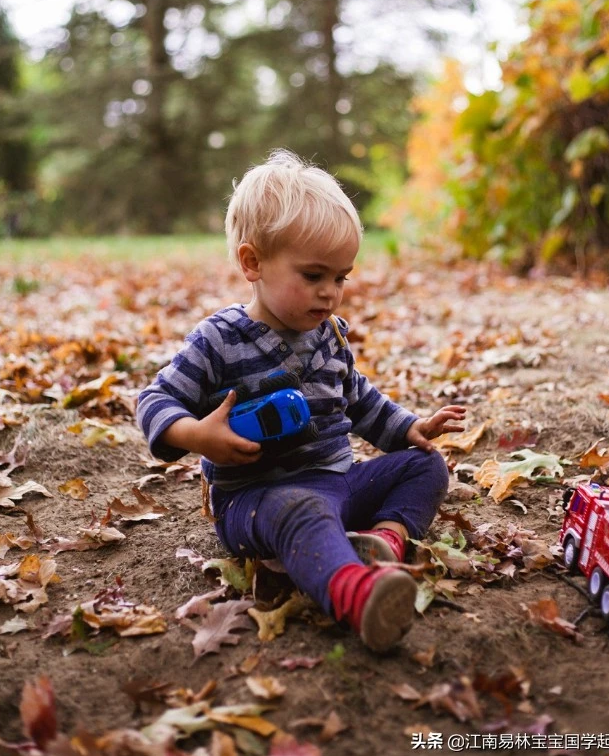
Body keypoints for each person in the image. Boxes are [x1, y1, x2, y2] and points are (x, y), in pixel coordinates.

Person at [137, 150, 466, 652]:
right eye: (313, 276)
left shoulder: (329, 336)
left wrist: (408, 429)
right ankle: (356, 595)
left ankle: (383, 541)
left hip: (339, 485)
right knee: (302, 508)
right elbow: (155, 398)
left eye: (341, 277)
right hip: (259, 500)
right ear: (253, 263)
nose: (330, 293)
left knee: (425, 467)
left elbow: (358, 399)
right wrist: (196, 435)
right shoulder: (218, 341)